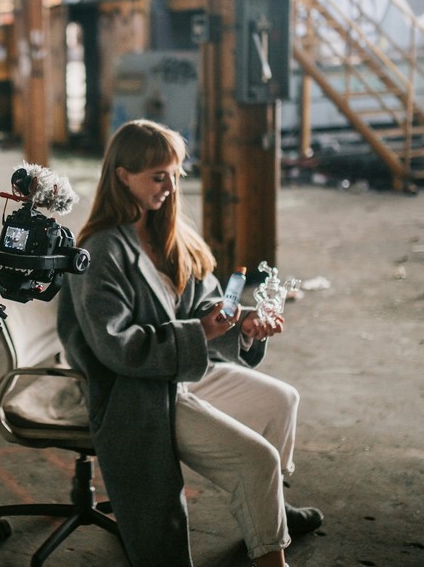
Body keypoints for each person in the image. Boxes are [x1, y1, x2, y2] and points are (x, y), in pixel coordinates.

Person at [57, 119, 322, 567]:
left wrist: (243, 325)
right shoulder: (101, 250)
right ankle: (271, 553)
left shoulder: (170, 235)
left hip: (177, 372)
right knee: (257, 461)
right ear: (122, 176)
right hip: (134, 390)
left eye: (176, 174)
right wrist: (200, 333)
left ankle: (272, 507)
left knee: (283, 399)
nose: (171, 186)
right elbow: (115, 347)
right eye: (158, 176)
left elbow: (205, 301)